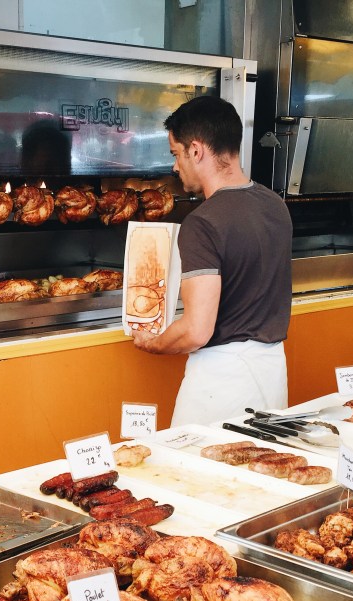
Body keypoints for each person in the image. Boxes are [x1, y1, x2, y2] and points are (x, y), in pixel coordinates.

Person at [131, 96, 292, 426]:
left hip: (223, 383)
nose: (175, 167)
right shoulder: (275, 205)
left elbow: (196, 331)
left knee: (189, 460)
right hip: (272, 373)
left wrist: (153, 344)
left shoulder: (203, 223)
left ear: (195, 150)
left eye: (175, 154)